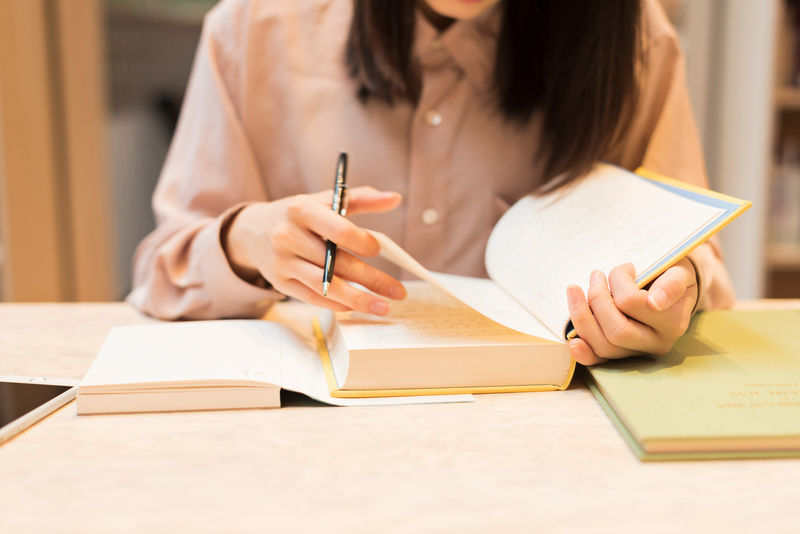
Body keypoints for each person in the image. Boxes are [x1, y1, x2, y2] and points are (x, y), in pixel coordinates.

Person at [128, 0, 736, 366]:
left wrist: (670, 293)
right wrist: (246, 239)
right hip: (312, 432)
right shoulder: (257, 27)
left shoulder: (628, 38)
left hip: (546, 437)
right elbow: (162, 269)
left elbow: (693, 256)